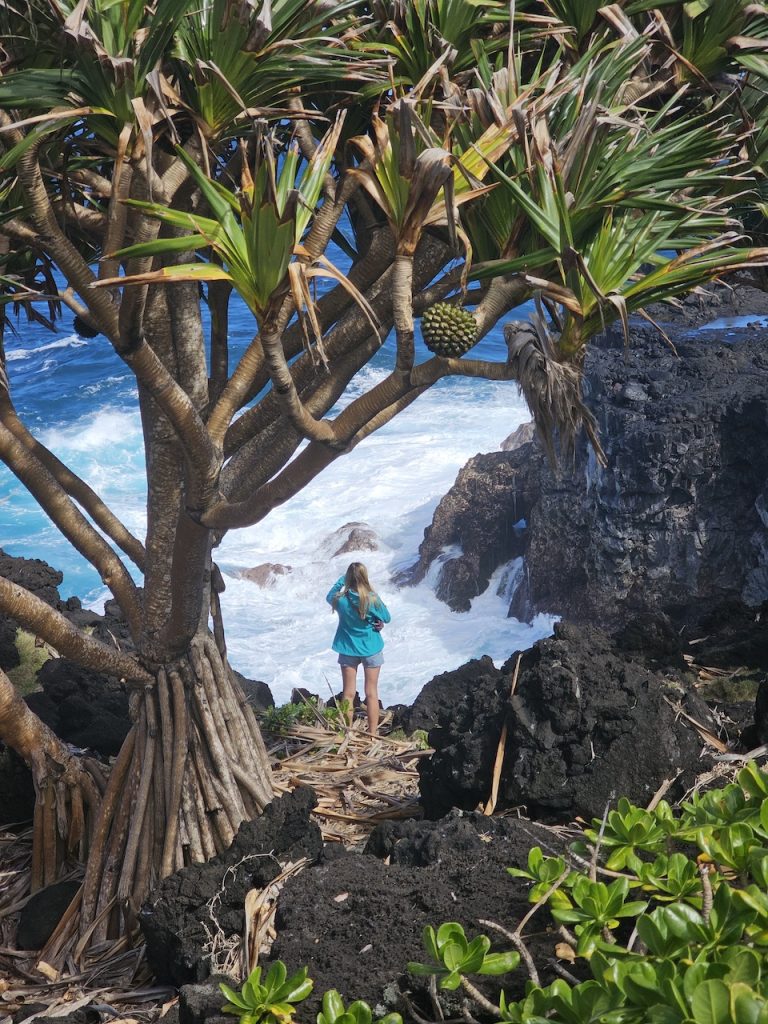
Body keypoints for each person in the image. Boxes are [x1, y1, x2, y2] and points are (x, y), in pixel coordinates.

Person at [326, 562, 391, 734]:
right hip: (371, 648)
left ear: (348, 578)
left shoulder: (340, 600)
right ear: (364, 577)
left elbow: (329, 595)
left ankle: (347, 732)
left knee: (348, 694)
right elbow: (386, 616)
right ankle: (372, 734)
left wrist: (342, 581)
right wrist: (379, 622)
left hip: (348, 649)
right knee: (371, 693)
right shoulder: (372, 598)